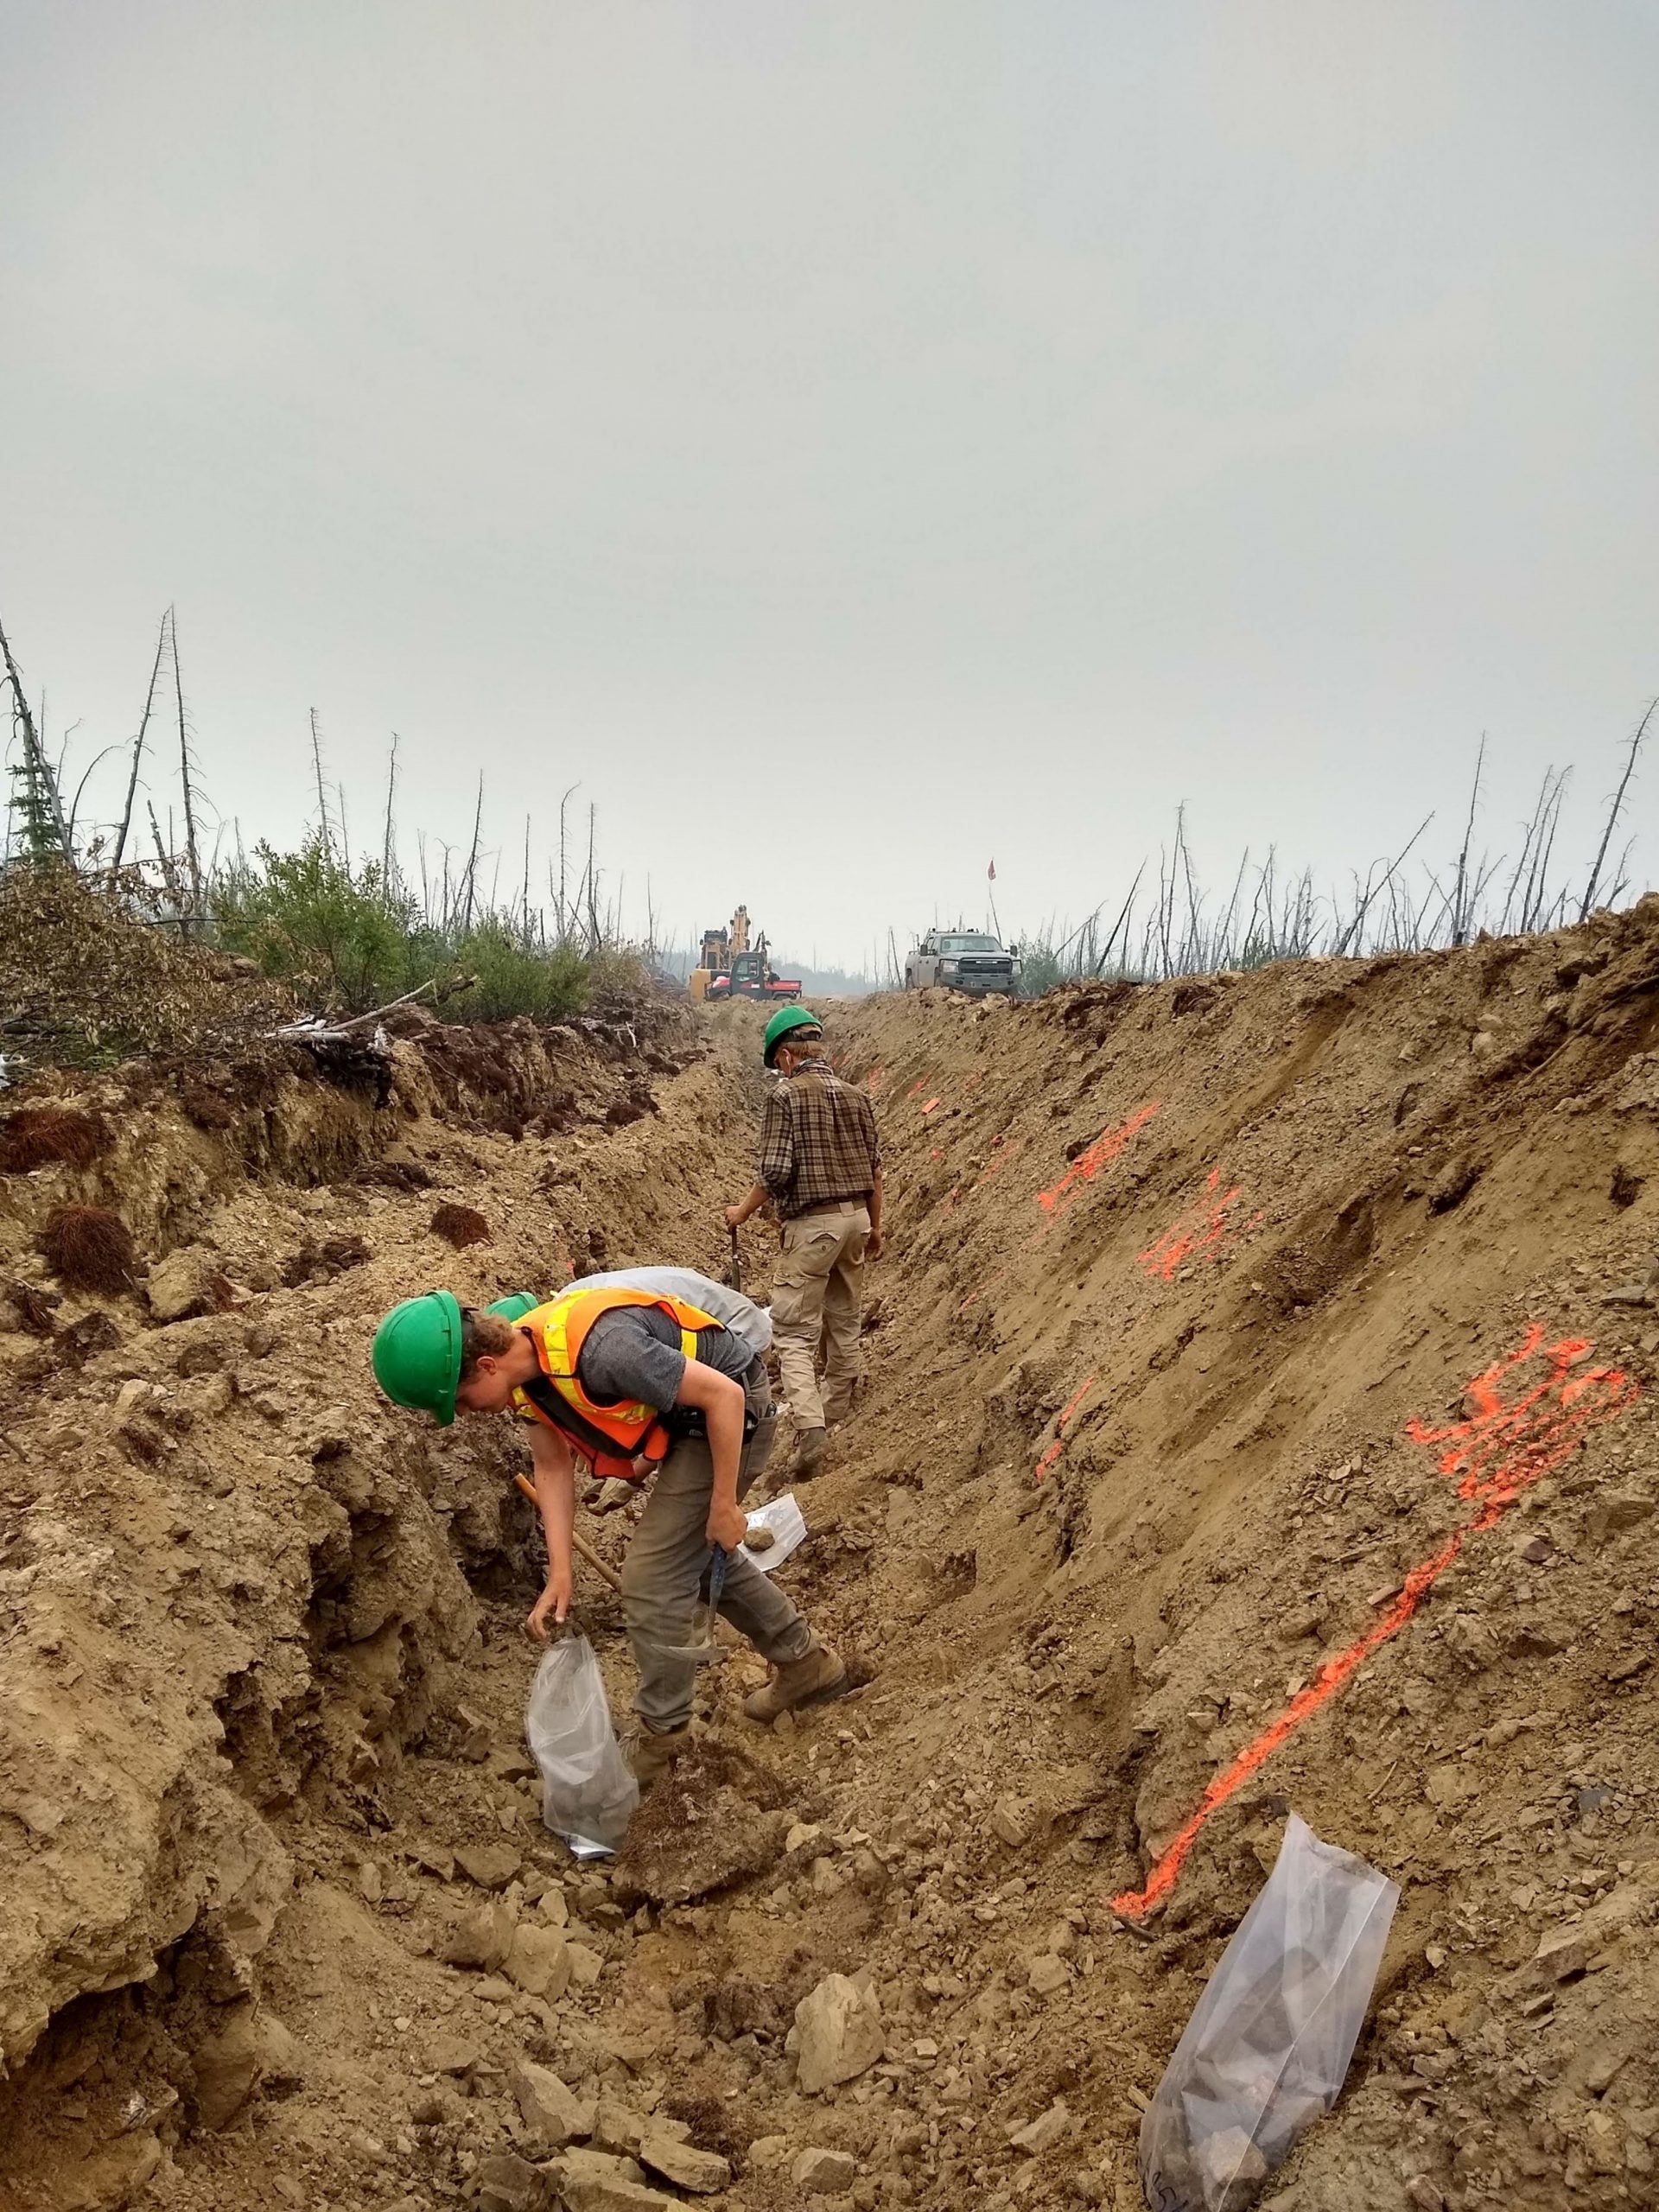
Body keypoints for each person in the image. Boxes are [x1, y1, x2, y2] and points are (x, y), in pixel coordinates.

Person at [372, 1267, 847, 1785]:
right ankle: (805, 1664)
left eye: (460, 1402)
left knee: (651, 1578)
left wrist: (724, 1503)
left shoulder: (602, 1351)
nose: (465, 1414)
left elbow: (725, 1397)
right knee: (685, 1554)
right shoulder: (525, 1370)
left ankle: (662, 1739)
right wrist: (560, 1573)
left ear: (486, 1366)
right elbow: (552, 1467)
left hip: (732, 1411)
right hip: (685, 1417)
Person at [723, 1006, 882, 1476]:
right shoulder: (857, 1096)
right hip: (856, 1220)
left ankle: (811, 1428)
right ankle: (835, 1410)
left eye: (779, 1064)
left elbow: (774, 1171)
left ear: (788, 1057)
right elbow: (875, 1170)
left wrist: (742, 1211)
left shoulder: (785, 1097)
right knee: (844, 1319)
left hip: (814, 1228)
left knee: (793, 1331)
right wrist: (877, 1226)